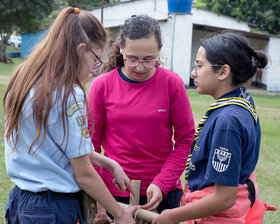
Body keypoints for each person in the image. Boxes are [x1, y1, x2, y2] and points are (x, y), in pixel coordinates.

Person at [3, 7, 139, 224]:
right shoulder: (67, 93)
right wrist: (121, 213)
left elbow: (62, 147)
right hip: (51, 209)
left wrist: (110, 164)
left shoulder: (25, 75)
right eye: (95, 59)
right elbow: (84, 174)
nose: (95, 69)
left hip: (22, 202)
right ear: (80, 49)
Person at [152, 32, 277, 224]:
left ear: (223, 72)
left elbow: (225, 197)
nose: (194, 73)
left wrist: (172, 216)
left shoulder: (228, 121)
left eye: (200, 66)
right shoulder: (242, 101)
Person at [87, 14, 195, 222]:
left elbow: (185, 140)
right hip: (113, 194)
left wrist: (162, 183)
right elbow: (89, 145)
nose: (139, 67)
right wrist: (99, 197)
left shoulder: (172, 84)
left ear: (159, 52)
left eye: (148, 60)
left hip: (163, 193)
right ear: (120, 50)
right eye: (132, 59)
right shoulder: (102, 85)